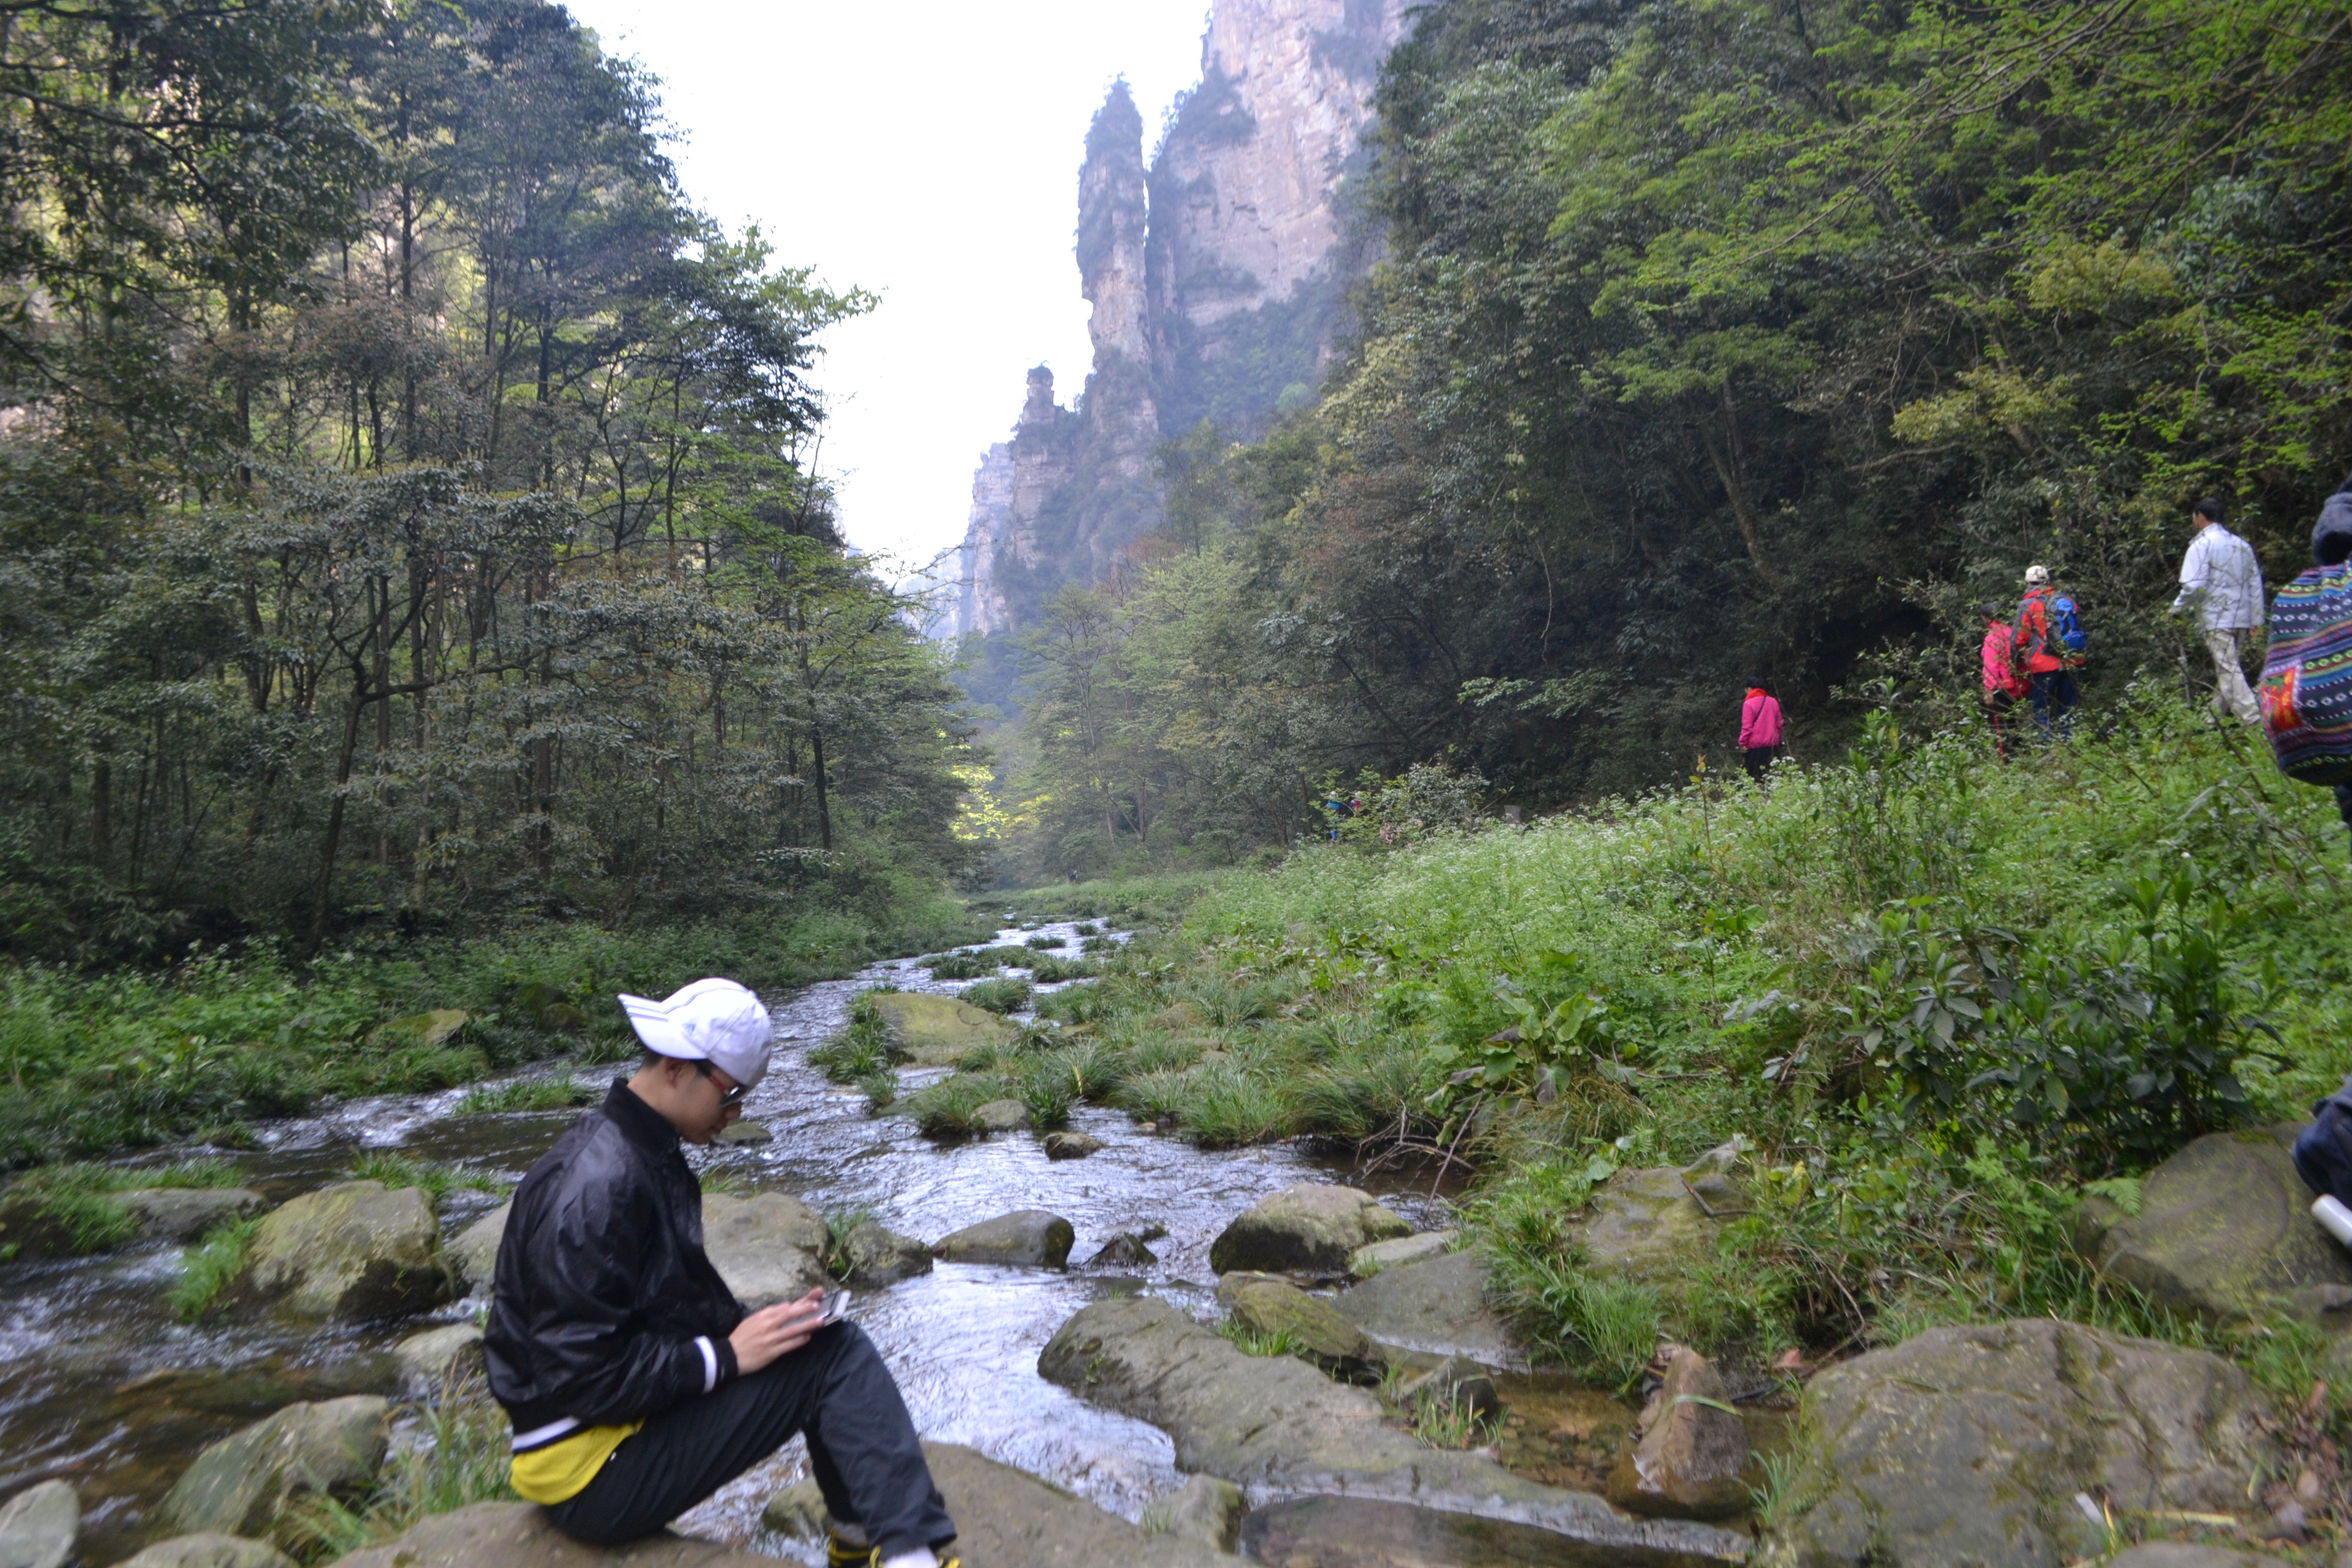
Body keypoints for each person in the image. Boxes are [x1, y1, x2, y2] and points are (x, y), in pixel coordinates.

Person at [485, 977, 959, 1568]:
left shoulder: (637, 1152)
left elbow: (658, 1309)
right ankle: (905, 1557)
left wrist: (758, 1329)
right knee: (834, 1359)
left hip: (602, 1442)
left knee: (814, 1339)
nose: (733, 1115)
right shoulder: (596, 1186)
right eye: (731, 1094)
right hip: (589, 1475)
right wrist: (726, 1357)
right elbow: (579, 1376)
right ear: (678, 1069)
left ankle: (861, 1543)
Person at [2171, 496, 2265, 724]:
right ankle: (2211, 721)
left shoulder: (2201, 545)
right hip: (2241, 618)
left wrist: (2176, 608)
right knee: (2229, 670)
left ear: (2200, 517)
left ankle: (2255, 720)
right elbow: (2255, 584)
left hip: (2217, 619)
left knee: (2229, 671)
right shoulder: (2241, 545)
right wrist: (2257, 620)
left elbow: (2194, 585)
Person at [2012, 565, 2081, 741]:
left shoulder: (2028, 604)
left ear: (2028, 583)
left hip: (2043, 664)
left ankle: (2047, 749)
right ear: (2048, 581)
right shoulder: (2067, 599)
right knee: (2068, 708)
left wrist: (2016, 662)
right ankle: (2071, 746)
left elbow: (2020, 639)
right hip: (2071, 660)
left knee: (2041, 710)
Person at [1978, 602, 2030, 760]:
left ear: (1987, 619)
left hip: (2002, 688)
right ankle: (2023, 755)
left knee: (2000, 726)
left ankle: (2007, 761)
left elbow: (1991, 666)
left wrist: (1989, 691)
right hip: (2020, 685)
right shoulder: (2012, 632)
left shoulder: (1993, 637)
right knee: (2012, 722)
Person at [1738, 685, 1784, 781]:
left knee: (1754, 778)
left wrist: (1743, 743)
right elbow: (1779, 724)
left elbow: (1747, 726)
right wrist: (1778, 739)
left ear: (1749, 689)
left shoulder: (1748, 704)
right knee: (1773, 775)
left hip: (1755, 746)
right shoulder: (1773, 702)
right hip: (1772, 744)